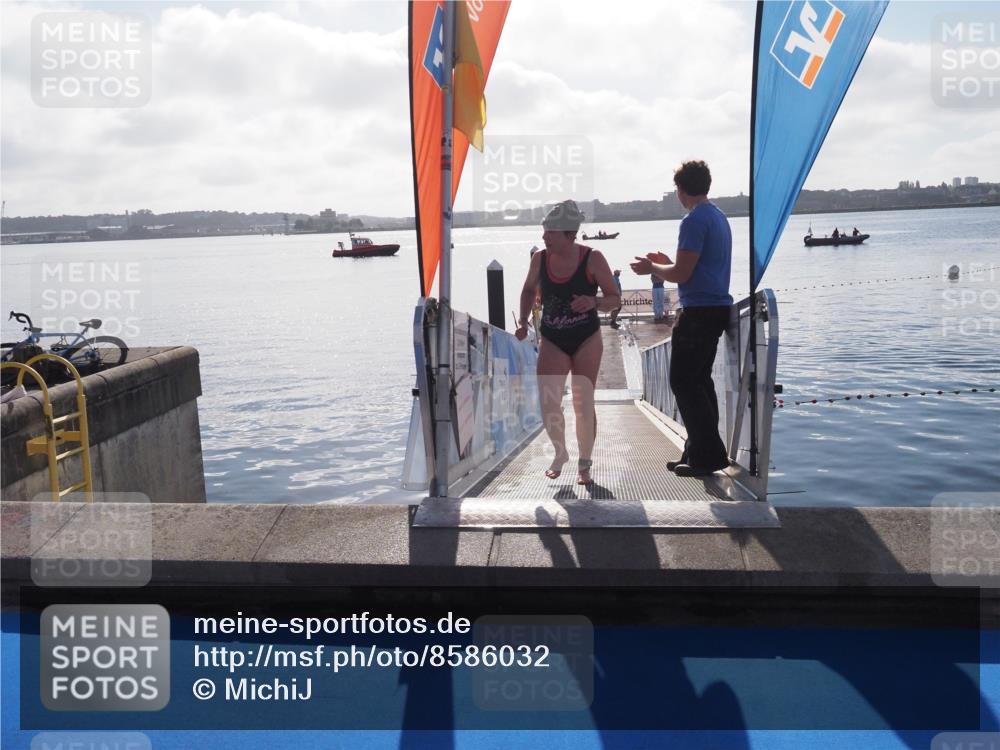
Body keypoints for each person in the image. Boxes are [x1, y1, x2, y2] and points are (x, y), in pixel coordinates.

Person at [630, 160, 733, 478]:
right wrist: (667, 263)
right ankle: (701, 451)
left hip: (698, 310)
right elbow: (694, 268)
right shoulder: (718, 217)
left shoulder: (693, 221)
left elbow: (681, 274)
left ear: (680, 189)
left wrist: (654, 268)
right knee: (700, 382)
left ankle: (706, 456)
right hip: (716, 308)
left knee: (683, 381)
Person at [515, 200, 620, 485]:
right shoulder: (540, 258)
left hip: (586, 338)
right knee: (549, 402)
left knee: (583, 402)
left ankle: (585, 463)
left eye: (550, 232)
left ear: (569, 235)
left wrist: (594, 301)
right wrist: (523, 322)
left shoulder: (593, 258)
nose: (544, 237)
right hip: (553, 338)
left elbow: (614, 299)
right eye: (544, 230)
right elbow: (527, 290)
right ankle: (560, 453)